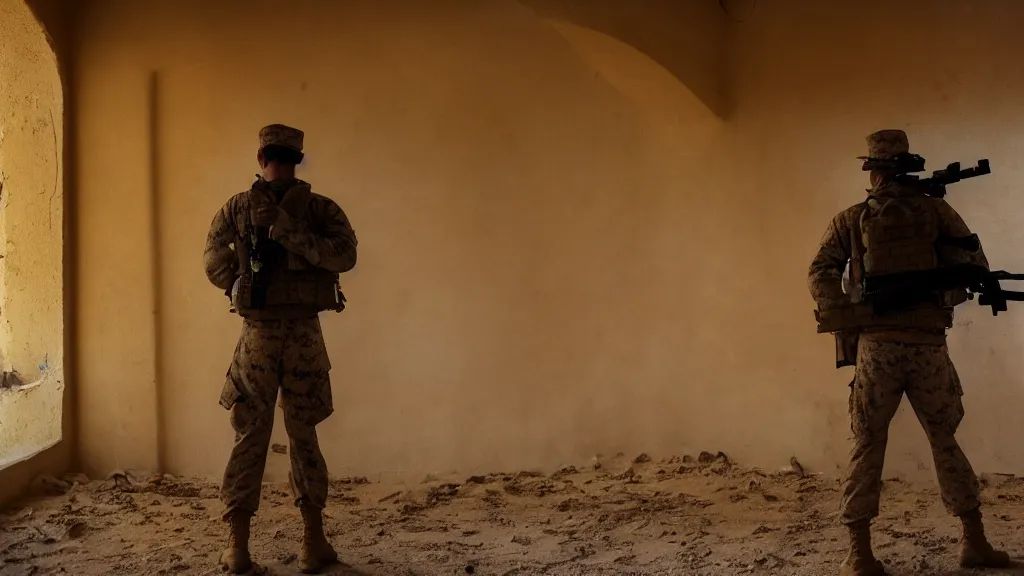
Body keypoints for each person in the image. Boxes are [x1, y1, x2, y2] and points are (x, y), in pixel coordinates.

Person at [808, 130, 1009, 575]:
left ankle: (859, 554)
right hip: (927, 348)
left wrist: (852, 312)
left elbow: (820, 271)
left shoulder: (851, 219)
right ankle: (973, 541)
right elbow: (975, 265)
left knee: (867, 442)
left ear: (873, 172)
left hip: (876, 350)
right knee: (945, 439)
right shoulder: (936, 212)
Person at [203, 124, 358, 574]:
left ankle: (237, 548)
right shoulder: (321, 209)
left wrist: (235, 279)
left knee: (249, 434)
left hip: (258, 337)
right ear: (298, 158)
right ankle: (313, 544)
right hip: (305, 338)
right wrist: (294, 236)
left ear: (259, 156)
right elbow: (345, 255)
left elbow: (211, 256)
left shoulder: (237, 207)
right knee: (303, 434)